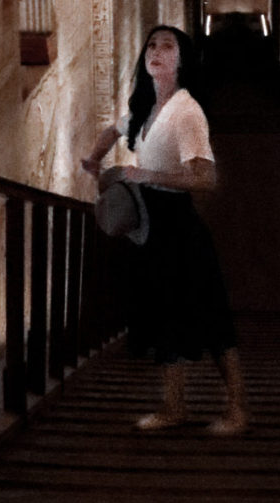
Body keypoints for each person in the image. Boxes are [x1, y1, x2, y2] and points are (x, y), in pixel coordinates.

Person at [82, 24, 248, 434]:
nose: (156, 51)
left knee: (211, 317)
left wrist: (146, 175)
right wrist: (94, 159)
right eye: (151, 45)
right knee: (163, 315)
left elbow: (205, 178)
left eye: (168, 46)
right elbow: (113, 130)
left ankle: (237, 410)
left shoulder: (186, 112)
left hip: (179, 226)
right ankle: (174, 407)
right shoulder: (146, 108)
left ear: (182, 58)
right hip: (151, 226)